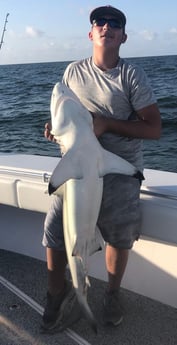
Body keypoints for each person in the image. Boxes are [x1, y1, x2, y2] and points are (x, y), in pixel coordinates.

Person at [42, 5, 161, 331]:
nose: (107, 25)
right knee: (53, 233)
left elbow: (154, 129)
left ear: (123, 36)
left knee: (120, 236)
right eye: (100, 21)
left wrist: (106, 125)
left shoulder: (131, 76)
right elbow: (67, 118)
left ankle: (111, 293)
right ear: (91, 33)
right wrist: (55, 130)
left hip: (120, 167)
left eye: (115, 23)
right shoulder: (72, 73)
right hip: (75, 167)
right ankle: (57, 291)